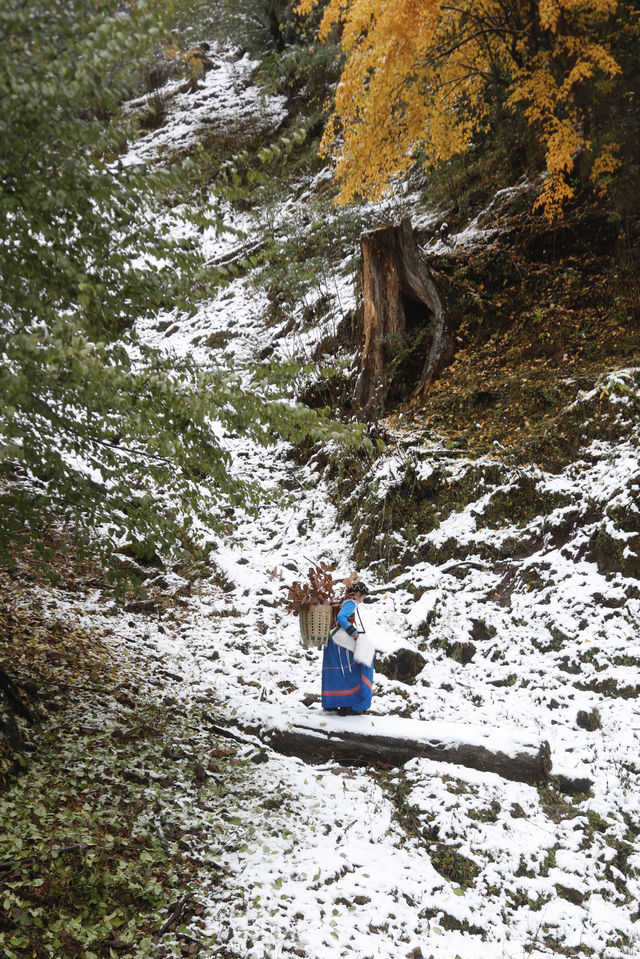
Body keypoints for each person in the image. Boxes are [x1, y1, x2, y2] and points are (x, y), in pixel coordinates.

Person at [321, 582, 373, 715]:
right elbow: (341, 617)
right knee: (352, 670)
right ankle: (349, 705)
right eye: (362, 597)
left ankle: (332, 703)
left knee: (337, 672)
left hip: (333, 641)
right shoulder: (351, 603)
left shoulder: (344, 602)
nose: (362, 600)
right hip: (340, 642)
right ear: (357, 594)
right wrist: (354, 633)